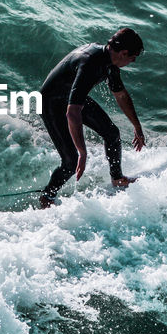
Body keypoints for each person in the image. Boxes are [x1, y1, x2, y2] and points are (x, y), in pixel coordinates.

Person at [38, 28, 145, 208]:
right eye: (133, 57)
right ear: (123, 53)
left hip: (68, 97)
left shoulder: (110, 63)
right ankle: (47, 197)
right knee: (71, 161)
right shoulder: (90, 63)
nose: (132, 61)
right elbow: (73, 113)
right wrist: (82, 151)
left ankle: (117, 179)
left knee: (112, 133)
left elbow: (121, 96)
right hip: (51, 102)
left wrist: (137, 127)